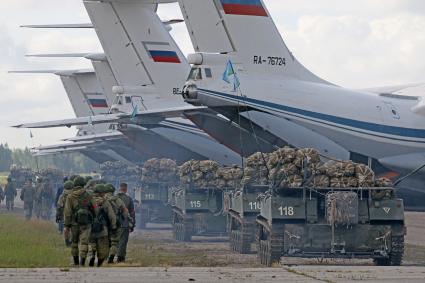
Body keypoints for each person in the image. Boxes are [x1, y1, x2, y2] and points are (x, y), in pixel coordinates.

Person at [64, 176, 95, 266]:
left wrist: (67, 225)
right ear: (83, 184)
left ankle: (76, 262)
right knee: (84, 242)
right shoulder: (88, 195)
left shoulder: (70, 196)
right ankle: (82, 262)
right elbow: (95, 208)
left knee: (74, 243)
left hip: (74, 223)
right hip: (86, 223)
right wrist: (94, 218)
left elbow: (67, 212)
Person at [88, 184, 117, 267]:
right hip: (102, 228)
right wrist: (114, 226)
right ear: (101, 193)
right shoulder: (105, 202)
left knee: (92, 243)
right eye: (104, 192)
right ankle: (100, 262)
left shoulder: (89, 200)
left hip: (90, 227)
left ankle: (92, 255)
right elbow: (112, 216)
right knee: (103, 247)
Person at [104, 184, 129, 264]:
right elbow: (125, 210)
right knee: (114, 242)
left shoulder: (101, 199)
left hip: (104, 223)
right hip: (115, 223)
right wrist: (124, 219)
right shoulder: (116, 199)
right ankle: (111, 258)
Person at [116, 183, 135, 263]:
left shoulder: (114, 198)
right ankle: (120, 257)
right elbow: (132, 213)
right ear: (126, 189)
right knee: (123, 241)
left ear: (119, 188)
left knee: (114, 241)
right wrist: (133, 225)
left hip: (114, 223)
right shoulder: (129, 199)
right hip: (124, 223)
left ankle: (111, 256)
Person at [56, 180, 74, 245]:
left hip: (65, 213)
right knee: (73, 228)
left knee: (66, 228)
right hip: (73, 213)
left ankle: (67, 240)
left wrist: (58, 215)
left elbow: (59, 206)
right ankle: (72, 240)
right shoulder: (74, 195)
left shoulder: (62, 195)